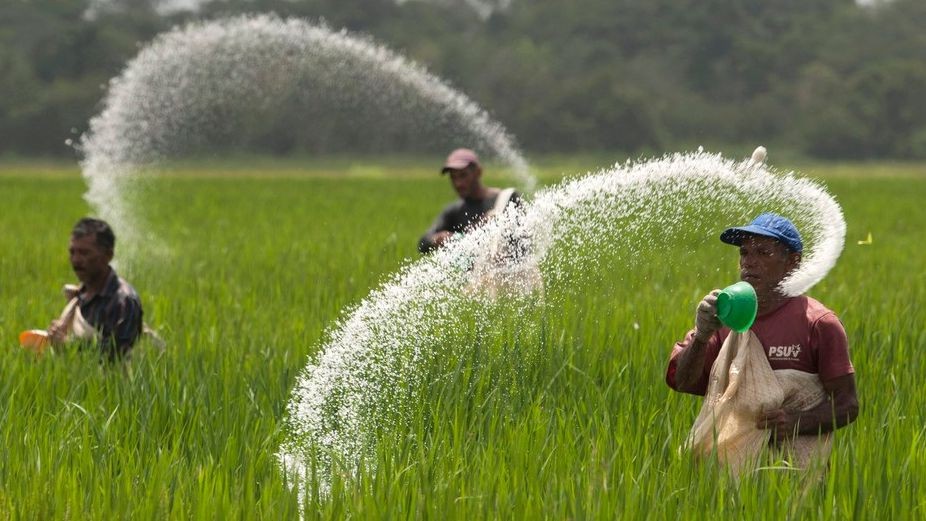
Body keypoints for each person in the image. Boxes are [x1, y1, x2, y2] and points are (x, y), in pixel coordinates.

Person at [666, 213, 858, 472]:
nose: (749, 262)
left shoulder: (818, 323)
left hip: (795, 474)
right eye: (744, 253)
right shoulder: (723, 317)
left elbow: (847, 404)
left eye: (763, 253)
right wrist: (701, 336)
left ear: (792, 262)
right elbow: (683, 381)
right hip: (727, 477)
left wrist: (795, 422)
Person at [46, 218, 144, 360]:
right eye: (72, 252)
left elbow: (118, 354)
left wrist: (69, 345)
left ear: (108, 256)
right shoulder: (79, 295)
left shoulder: (123, 301)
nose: (76, 260)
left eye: (84, 253)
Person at [418, 148, 522, 253]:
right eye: (453, 177)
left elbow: (523, 243)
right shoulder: (454, 211)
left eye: (463, 175)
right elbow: (423, 243)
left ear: (478, 172)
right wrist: (437, 239)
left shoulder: (506, 199)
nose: (458, 183)